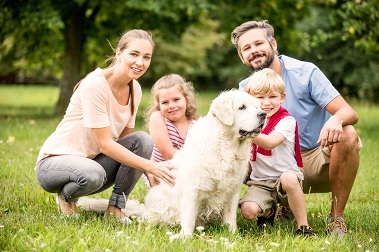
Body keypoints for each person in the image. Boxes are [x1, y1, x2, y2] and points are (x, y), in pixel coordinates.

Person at [231, 20, 361, 237]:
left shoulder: (305, 72)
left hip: (312, 159)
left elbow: (350, 112)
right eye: (246, 48)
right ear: (241, 56)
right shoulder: (245, 87)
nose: (253, 51)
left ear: (273, 44)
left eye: (258, 43)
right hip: (270, 165)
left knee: (348, 133)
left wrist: (336, 119)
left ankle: (336, 218)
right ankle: (275, 205)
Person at [35, 29, 175, 222]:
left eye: (146, 57)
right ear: (119, 53)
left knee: (143, 140)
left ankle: (115, 209)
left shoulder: (135, 89)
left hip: (92, 164)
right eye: (134, 54)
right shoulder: (95, 85)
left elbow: (127, 144)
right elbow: (106, 145)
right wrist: (151, 166)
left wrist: (144, 167)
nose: (140, 63)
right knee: (93, 174)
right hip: (53, 165)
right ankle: (66, 197)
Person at [239, 68, 314, 236]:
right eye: (260, 97)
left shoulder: (286, 120)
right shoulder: (247, 121)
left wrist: (247, 133)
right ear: (250, 98)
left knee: (288, 178)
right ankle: (268, 212)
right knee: (248, 211)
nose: (266, 103)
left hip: (287, 180)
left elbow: (270, 143)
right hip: (261, 181)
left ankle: (303, 227)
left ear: (282, 97)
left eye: (272, 97)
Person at [142, 73, 199, 188]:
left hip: (186, 172)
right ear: (158, 105)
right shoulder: (158, 118)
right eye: (165, 102)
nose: (171, 105)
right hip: (162, 175)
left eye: (176, 100)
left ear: (187, 100)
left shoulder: (195, 126)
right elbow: (168, 153)